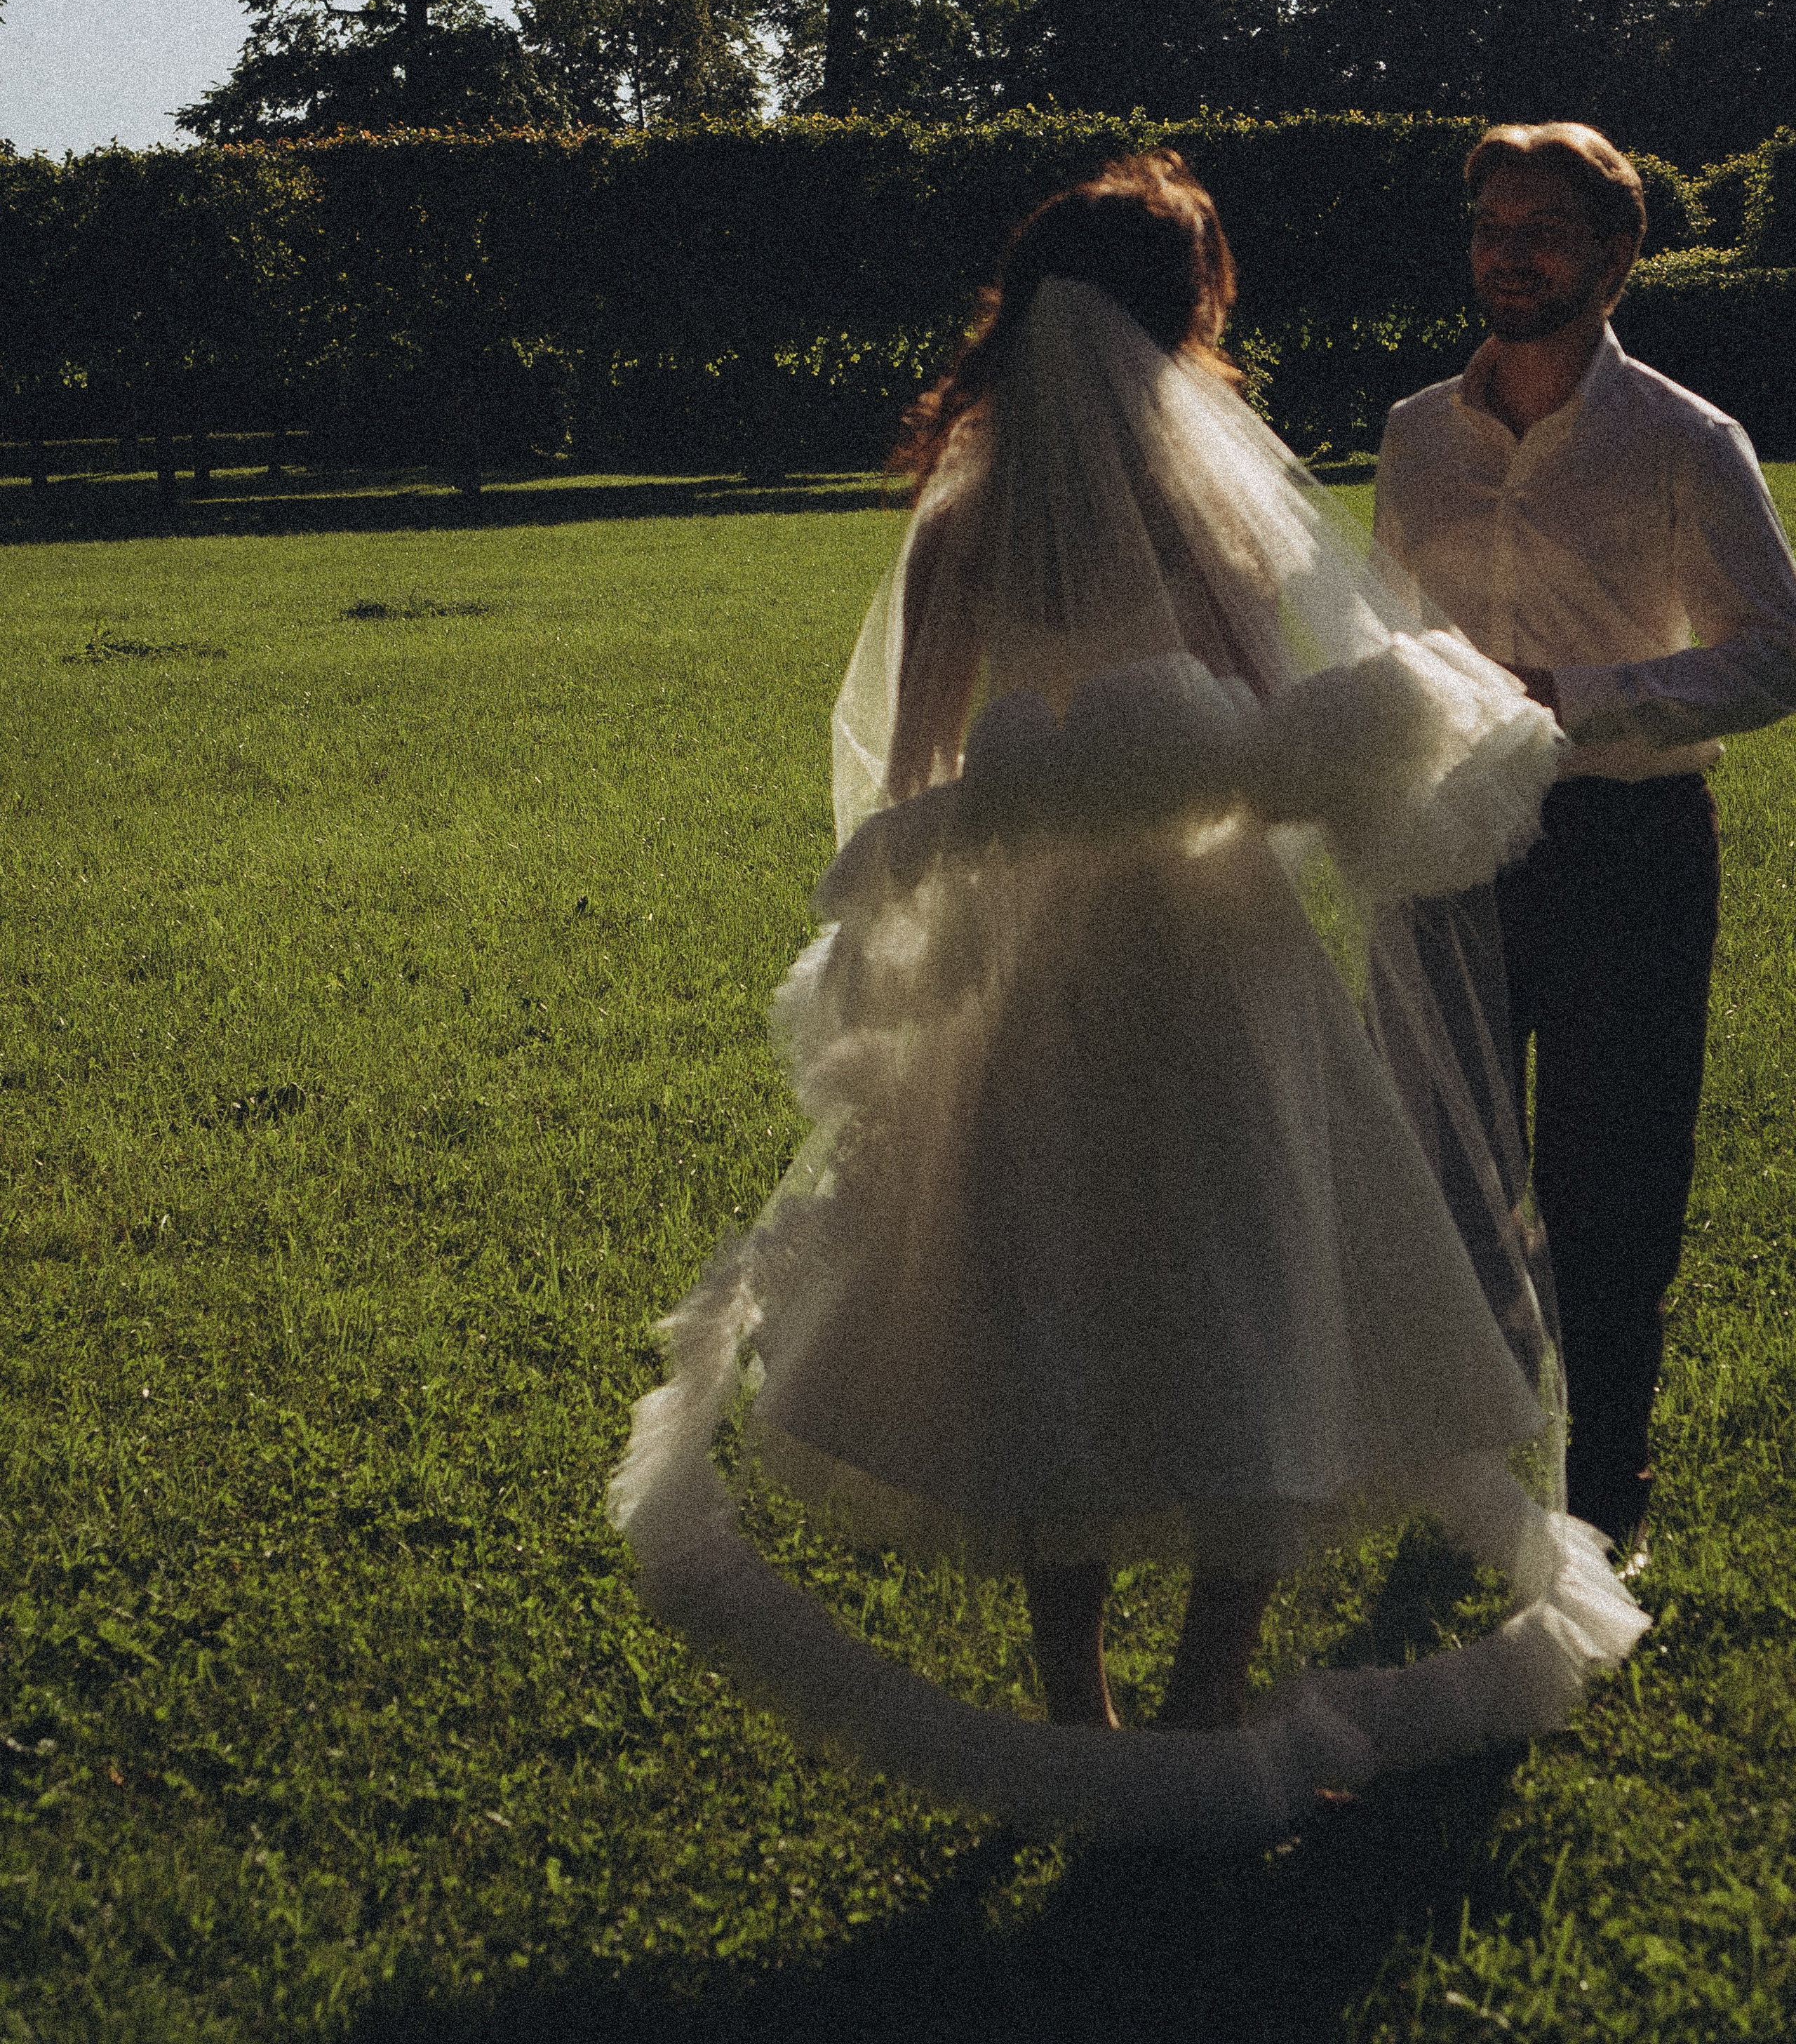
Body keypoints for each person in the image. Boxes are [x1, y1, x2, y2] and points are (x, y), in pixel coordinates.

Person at [610, 153, 1645, 1845]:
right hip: (1216, 951)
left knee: (1054, 1295)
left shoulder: (964, 517)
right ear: (1186, 320)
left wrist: (972, 864)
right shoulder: (1213, 514)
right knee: (1251, 1281)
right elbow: (1286, 728)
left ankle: (1072, 1707)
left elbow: (919, 768)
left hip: (1040, 960)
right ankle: (1203, 1699)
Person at [1376, 123, 1796, 1564]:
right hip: (1442, 842)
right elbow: (1386, 631)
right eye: (1489, 221)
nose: (1507, 248)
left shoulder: (1684, 439)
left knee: (1609, 1185)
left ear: (1616, 258)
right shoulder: (1412, 433)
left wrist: (1578, 705)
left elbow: (1773, 655)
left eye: (1542, 226)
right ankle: (1472, 1479)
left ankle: (1599, 1501)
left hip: (1622, 841)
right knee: (1442, 1171)